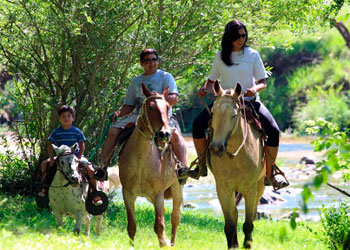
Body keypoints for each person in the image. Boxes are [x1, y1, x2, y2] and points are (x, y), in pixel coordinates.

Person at [183, 20, 288, 189]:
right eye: (238, 36)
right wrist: (205, 89)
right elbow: (211, 81)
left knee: (274, 130)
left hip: (249, 103)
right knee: (197, 124)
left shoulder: (252, 55)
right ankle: (201, 164)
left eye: (244, 35)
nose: (241, 39)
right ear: (229, 37)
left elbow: (263, 82)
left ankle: (271, 174)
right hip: (226, 102)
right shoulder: (220, 56)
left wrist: (254, 89)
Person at [98, 48, 187, 179]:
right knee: (112, 131)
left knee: (176, 136)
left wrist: (158, 102)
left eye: (154, 59)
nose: (151, 63)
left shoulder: (166, 77)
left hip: (163, 117)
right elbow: (129, 105)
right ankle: (103, 167)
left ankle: (182, 169)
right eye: (147, 61)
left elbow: (173, 99)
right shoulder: (136, 82)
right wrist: (118, 113)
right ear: (141, 63)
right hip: (140, 116)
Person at [37, 105, 103, 206]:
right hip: (61, 157)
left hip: (76, 156)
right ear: (59, 118)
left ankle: (95, 193)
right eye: (63, 116)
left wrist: (79, 159)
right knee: (44, 164)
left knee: (90, 169)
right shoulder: (56, 132)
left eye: (68, 116)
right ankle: (45, 188)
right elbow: (50, 145)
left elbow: (82, 146)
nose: (66, 118)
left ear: (73, 118)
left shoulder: (77, 131)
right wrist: (51, 159)